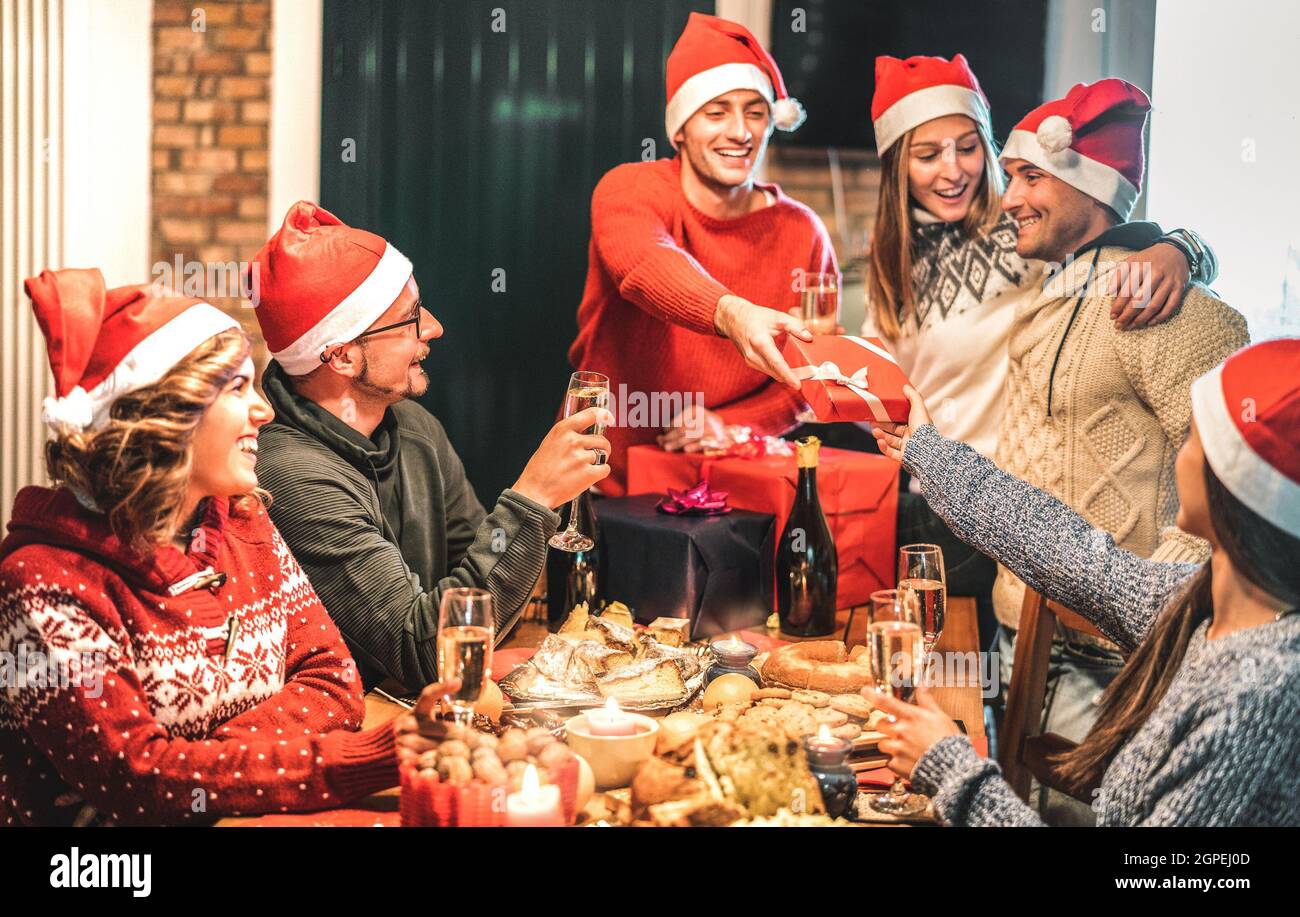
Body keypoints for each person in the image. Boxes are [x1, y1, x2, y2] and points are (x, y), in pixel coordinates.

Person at [0, 269, 449, 826]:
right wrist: (350, 757)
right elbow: (140, 782)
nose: (263, 410)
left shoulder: (243, 518)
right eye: (237, 388)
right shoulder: (46, 582)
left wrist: (207, 760)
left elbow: (334, 680)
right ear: (164, 416)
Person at [859, 55, 1218, 654]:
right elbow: (880, 372)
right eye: (928, 155)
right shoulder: (890, 258)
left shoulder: (1022, 234)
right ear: (898, 165)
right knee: (947, 679)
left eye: (969, 147)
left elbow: (1112, 230)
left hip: (1008, 502)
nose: (953, 171)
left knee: (982, 675)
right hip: (922, 499)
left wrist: (1182, 249)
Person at [868, 337, 1300, 826]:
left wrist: (953, 772)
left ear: (1234, 488)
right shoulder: (1204, 603)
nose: (1180, 453)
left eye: (1194, 440)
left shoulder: (1255, 696)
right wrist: (930, 452)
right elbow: (1068, 552)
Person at [985, 78, 1250, 823]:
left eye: (1031, 176)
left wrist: (1141, 609)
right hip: (1022, 636)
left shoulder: (1165, 306)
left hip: (1108, 658)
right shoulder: (1052, 295)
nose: (1009, 199)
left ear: (1091, 186)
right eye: (1011, 178)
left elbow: (1232, 497)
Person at [250, 201, 612, 692]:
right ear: (340, 356)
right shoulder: (292, 475)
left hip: (426, 709)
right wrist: (533, 499)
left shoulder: (412, 425)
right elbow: (425, 652)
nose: (434, 328)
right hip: (355, 732)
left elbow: (479, 583)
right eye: (409, 319)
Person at [568, 12, 835, 493]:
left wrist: (729, 424)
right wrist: (732, 314)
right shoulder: (628, 189)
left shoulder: (803, 231)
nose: (740, 131)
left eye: (756, 112)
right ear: (679, 130)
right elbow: (646, 265)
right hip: (603, 483)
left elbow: (812, 375)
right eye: (716, 113)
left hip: (728, 488)